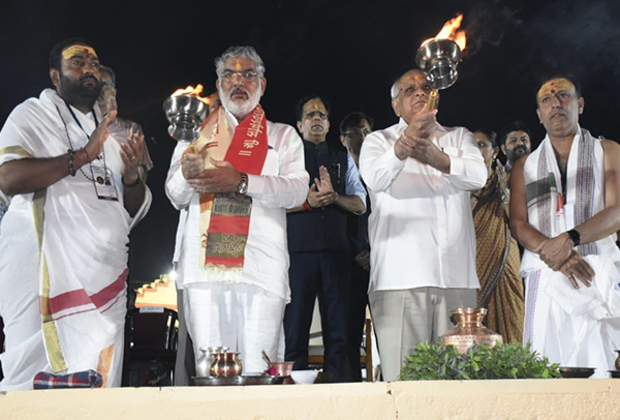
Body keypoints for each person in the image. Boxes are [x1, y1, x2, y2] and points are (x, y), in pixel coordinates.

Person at [0, 38, 151, 390]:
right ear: (56, 76)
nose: (89, 68)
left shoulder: (112, 137)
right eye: (77, 61)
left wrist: (131, 179)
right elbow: (8, 178)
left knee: (100, 381)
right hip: (40, 269)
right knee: (30, 377)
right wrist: (81, 156)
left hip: (105, 276)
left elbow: (129, 211)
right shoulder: (32, 115)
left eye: (95, 62)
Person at [165, 46, 308, 375]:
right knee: (209, 374)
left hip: (261, 269)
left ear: (263, 84)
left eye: (248, 74)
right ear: (218, 85)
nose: (238, 82)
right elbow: (174, 195)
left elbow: (297, 190)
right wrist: (188, 175)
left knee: (259, 372)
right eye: (229, 75)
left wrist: (241, 181)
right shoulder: (196, 136)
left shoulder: (282, 135)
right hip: (204, 272)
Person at [359, 69, 486, 381]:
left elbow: (479, 177)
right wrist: (405, 146)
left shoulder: (458, 137)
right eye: (408, 90)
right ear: (395, 105)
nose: (418, 93)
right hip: (399, 280)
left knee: (460, 384)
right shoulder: (378, 141)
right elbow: (374, 178)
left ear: (436, 97)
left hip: (457, 279)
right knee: (404, 383)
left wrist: (438, 159)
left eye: (426, 87)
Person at [510, 74, 620, 378]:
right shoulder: (526, 165)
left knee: (605, 363)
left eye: (563, 96)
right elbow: (518, 223)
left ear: (580, 105)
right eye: (546, 100)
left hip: (595, 271)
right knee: (545, 364)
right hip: (545, 274)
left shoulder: (607, 150)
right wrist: (553, 251)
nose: (555, 104)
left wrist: (570, 239)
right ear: (539, 114)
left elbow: (617, 211)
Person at [284, 96, 366, 382]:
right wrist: (308, 202)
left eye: (321, 114)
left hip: (337, 255)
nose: (316, 119)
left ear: (329, 123)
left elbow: (360, 203)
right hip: (297, 254)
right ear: (299, 125)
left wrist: (334, 198)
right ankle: (295, 402)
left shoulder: (343, 159)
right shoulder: (288, 160)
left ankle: (339, 397)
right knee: (295, 331)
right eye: (309, 115)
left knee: (339, 333)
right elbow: (274, 202)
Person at [171, 90, 221, 386]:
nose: (216, 112)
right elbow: (175, 196)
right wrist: (189, 171)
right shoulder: (188, 142)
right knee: (192, 349)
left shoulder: (247, 143)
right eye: (211, 107)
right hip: (194, 261)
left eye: (220, 107)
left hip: (236, 259)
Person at [471, 128, 524, 343]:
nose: (477, 150)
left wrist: (505, 194)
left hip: (505, 260)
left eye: (482, 145)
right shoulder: (458, 185)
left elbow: (519, 222)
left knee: (512, 317)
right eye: (472, 145)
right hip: (473, 263)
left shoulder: (508, 181)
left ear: (494, 152)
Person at [339, 112, 373, 381]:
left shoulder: (383, 169)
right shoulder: (338, 173)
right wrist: (356, 254)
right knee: (349, 334)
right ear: (342, 139)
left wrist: (376, 252)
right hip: (350, 265)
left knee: (388, 331)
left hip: (383, 261)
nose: (361, 136)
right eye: (353, 132)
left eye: (365, 131)